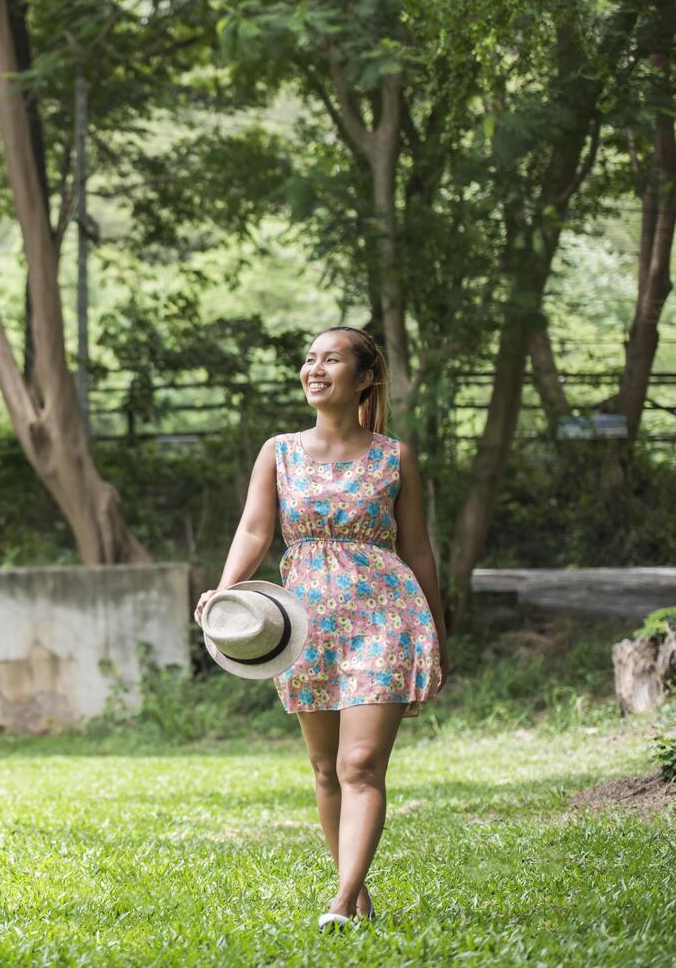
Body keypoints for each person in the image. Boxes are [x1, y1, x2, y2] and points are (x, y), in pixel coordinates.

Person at [192, 325, 450, 927]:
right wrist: (227, 592)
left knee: (360, 764)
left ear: (363, 378)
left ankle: (339, 902)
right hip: (303, 624)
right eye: (310, 359)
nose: (315, 369)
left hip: (385, 617)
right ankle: (355, 895)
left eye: (331, 360)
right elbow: (255, 530)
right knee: (325, 768)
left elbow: (419, 550)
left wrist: (436, 631)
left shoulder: (395, 457)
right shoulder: (278, 451)